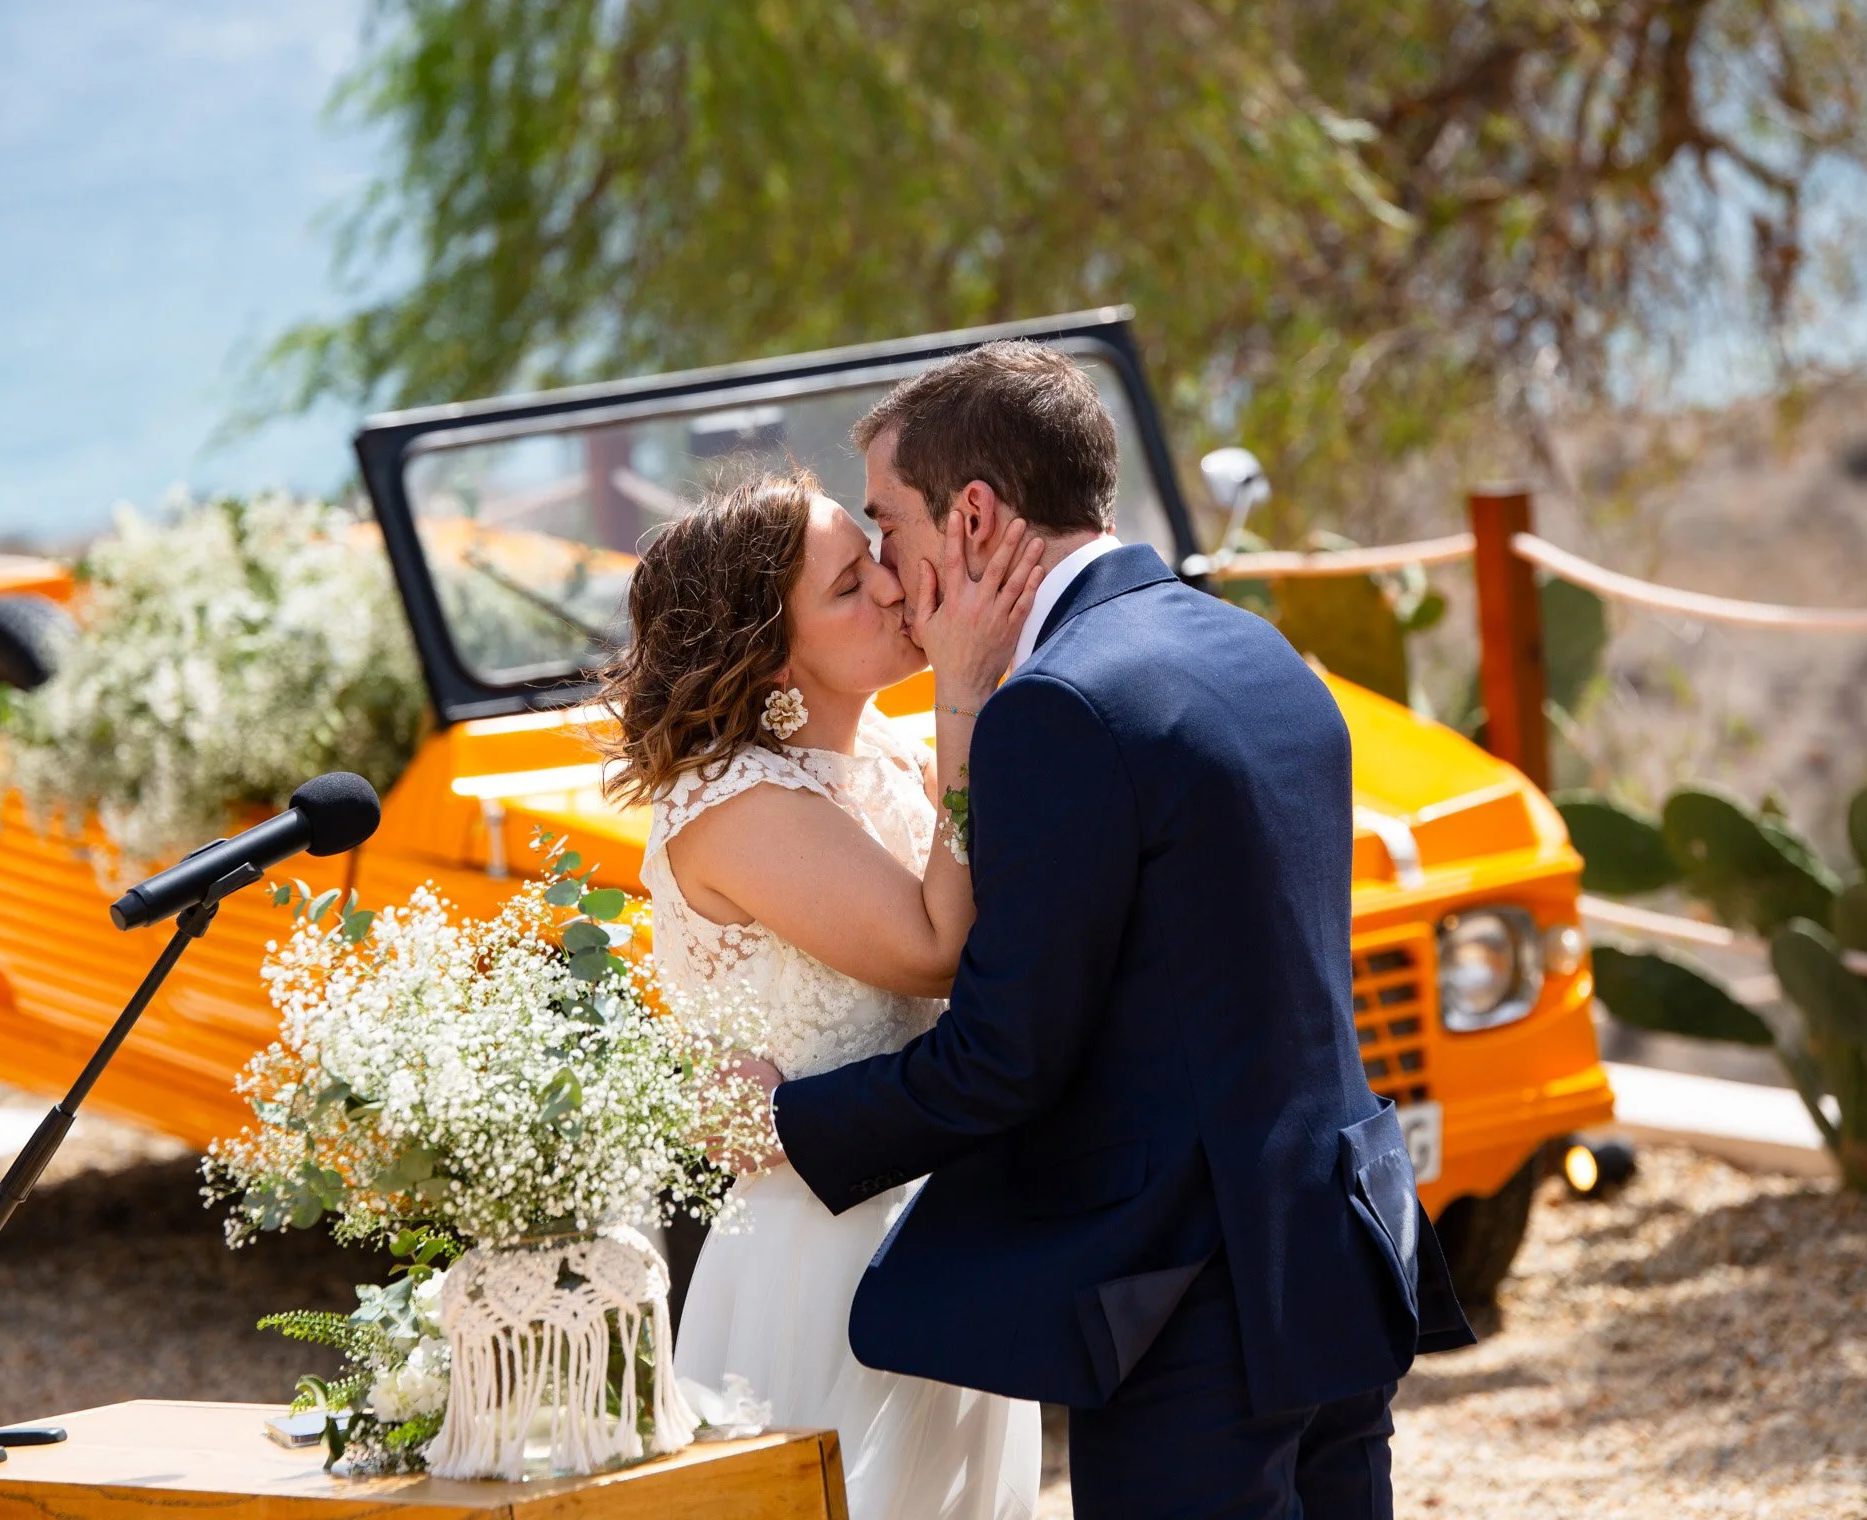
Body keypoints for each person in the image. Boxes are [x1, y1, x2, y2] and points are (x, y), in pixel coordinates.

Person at [748, 340, 1475, 1519]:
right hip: (1332, 1248)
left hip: (1192, 1303)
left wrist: (787, 1116)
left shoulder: (1060, 708)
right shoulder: (1251, 648)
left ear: (972, 518)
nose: (884, 569)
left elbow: (1004, 1056)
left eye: (888, 523)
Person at [602, 466, 1048, 1520]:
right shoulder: (732, 800)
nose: (894, 587)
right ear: (770, 655)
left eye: (876, 558)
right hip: (825, 1254)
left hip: (953, 1222)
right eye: (850, 587)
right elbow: (935, 946)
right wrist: (965, 692)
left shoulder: (887, 752)